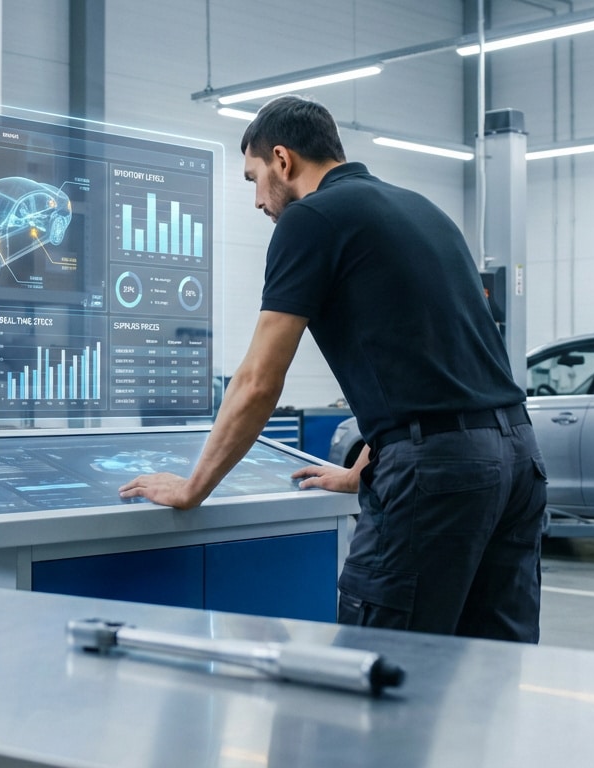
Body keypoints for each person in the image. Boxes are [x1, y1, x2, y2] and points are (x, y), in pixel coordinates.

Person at [118, 94, 547, 643]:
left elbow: (257, 381)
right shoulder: (423, 211)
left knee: (380, 667)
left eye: (253, 178)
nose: (256, 201)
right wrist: (364, 467)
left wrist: (192, 487)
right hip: (517, 459)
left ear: (283, 159)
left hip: (441, 472)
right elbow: (436, 368)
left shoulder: (309, 220)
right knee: (488, 670)